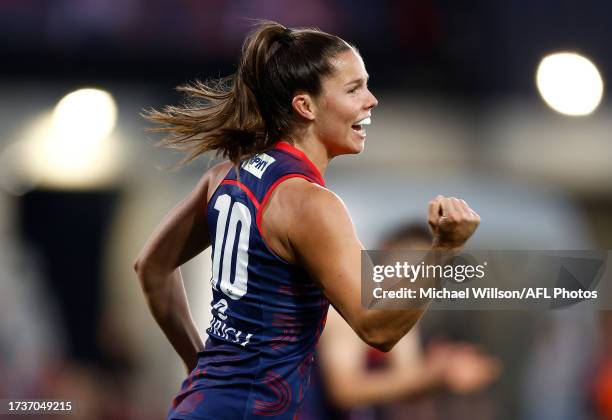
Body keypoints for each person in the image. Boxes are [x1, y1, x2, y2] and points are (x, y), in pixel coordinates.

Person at [133, 20, 480, 420]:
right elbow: (378, 329)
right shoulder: (310, 203)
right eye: (354, 89)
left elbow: (152, 266)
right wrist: (445, 249)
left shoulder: (226, 175)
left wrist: (198, 365)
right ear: (306, 106)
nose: (372, 101)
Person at [300, 223, 500, 420]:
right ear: (387, 251)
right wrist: (435, 374)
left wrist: (445, 369)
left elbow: (407, 380)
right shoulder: (350, 304)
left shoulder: (401, 313)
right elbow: (345, 390)